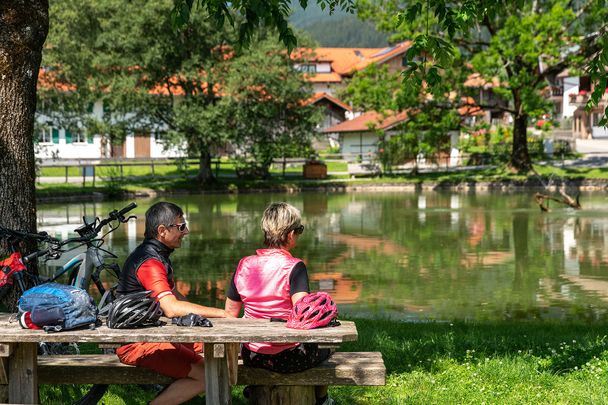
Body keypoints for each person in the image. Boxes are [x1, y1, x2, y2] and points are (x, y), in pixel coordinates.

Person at [115, 201, 225, 405]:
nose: (187, 231)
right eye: (181, 226)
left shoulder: (157, 255)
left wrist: (203, 318)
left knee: (221, 352)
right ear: (162, 231)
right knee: (207, 375)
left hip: (152, 335)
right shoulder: (150, 262)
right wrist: (222, 313)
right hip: (138, 344)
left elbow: (176, 297)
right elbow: (172, 308)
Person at [225, 202, 334, 405]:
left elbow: (230, 314)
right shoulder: (295, 267)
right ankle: (322, 399)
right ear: (290, 235)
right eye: (299, 230)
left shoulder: (244, 265)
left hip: (252, 354)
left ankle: (257, 387)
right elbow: (305, 315)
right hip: (288, 357)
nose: (299, 235)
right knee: (328, 347)